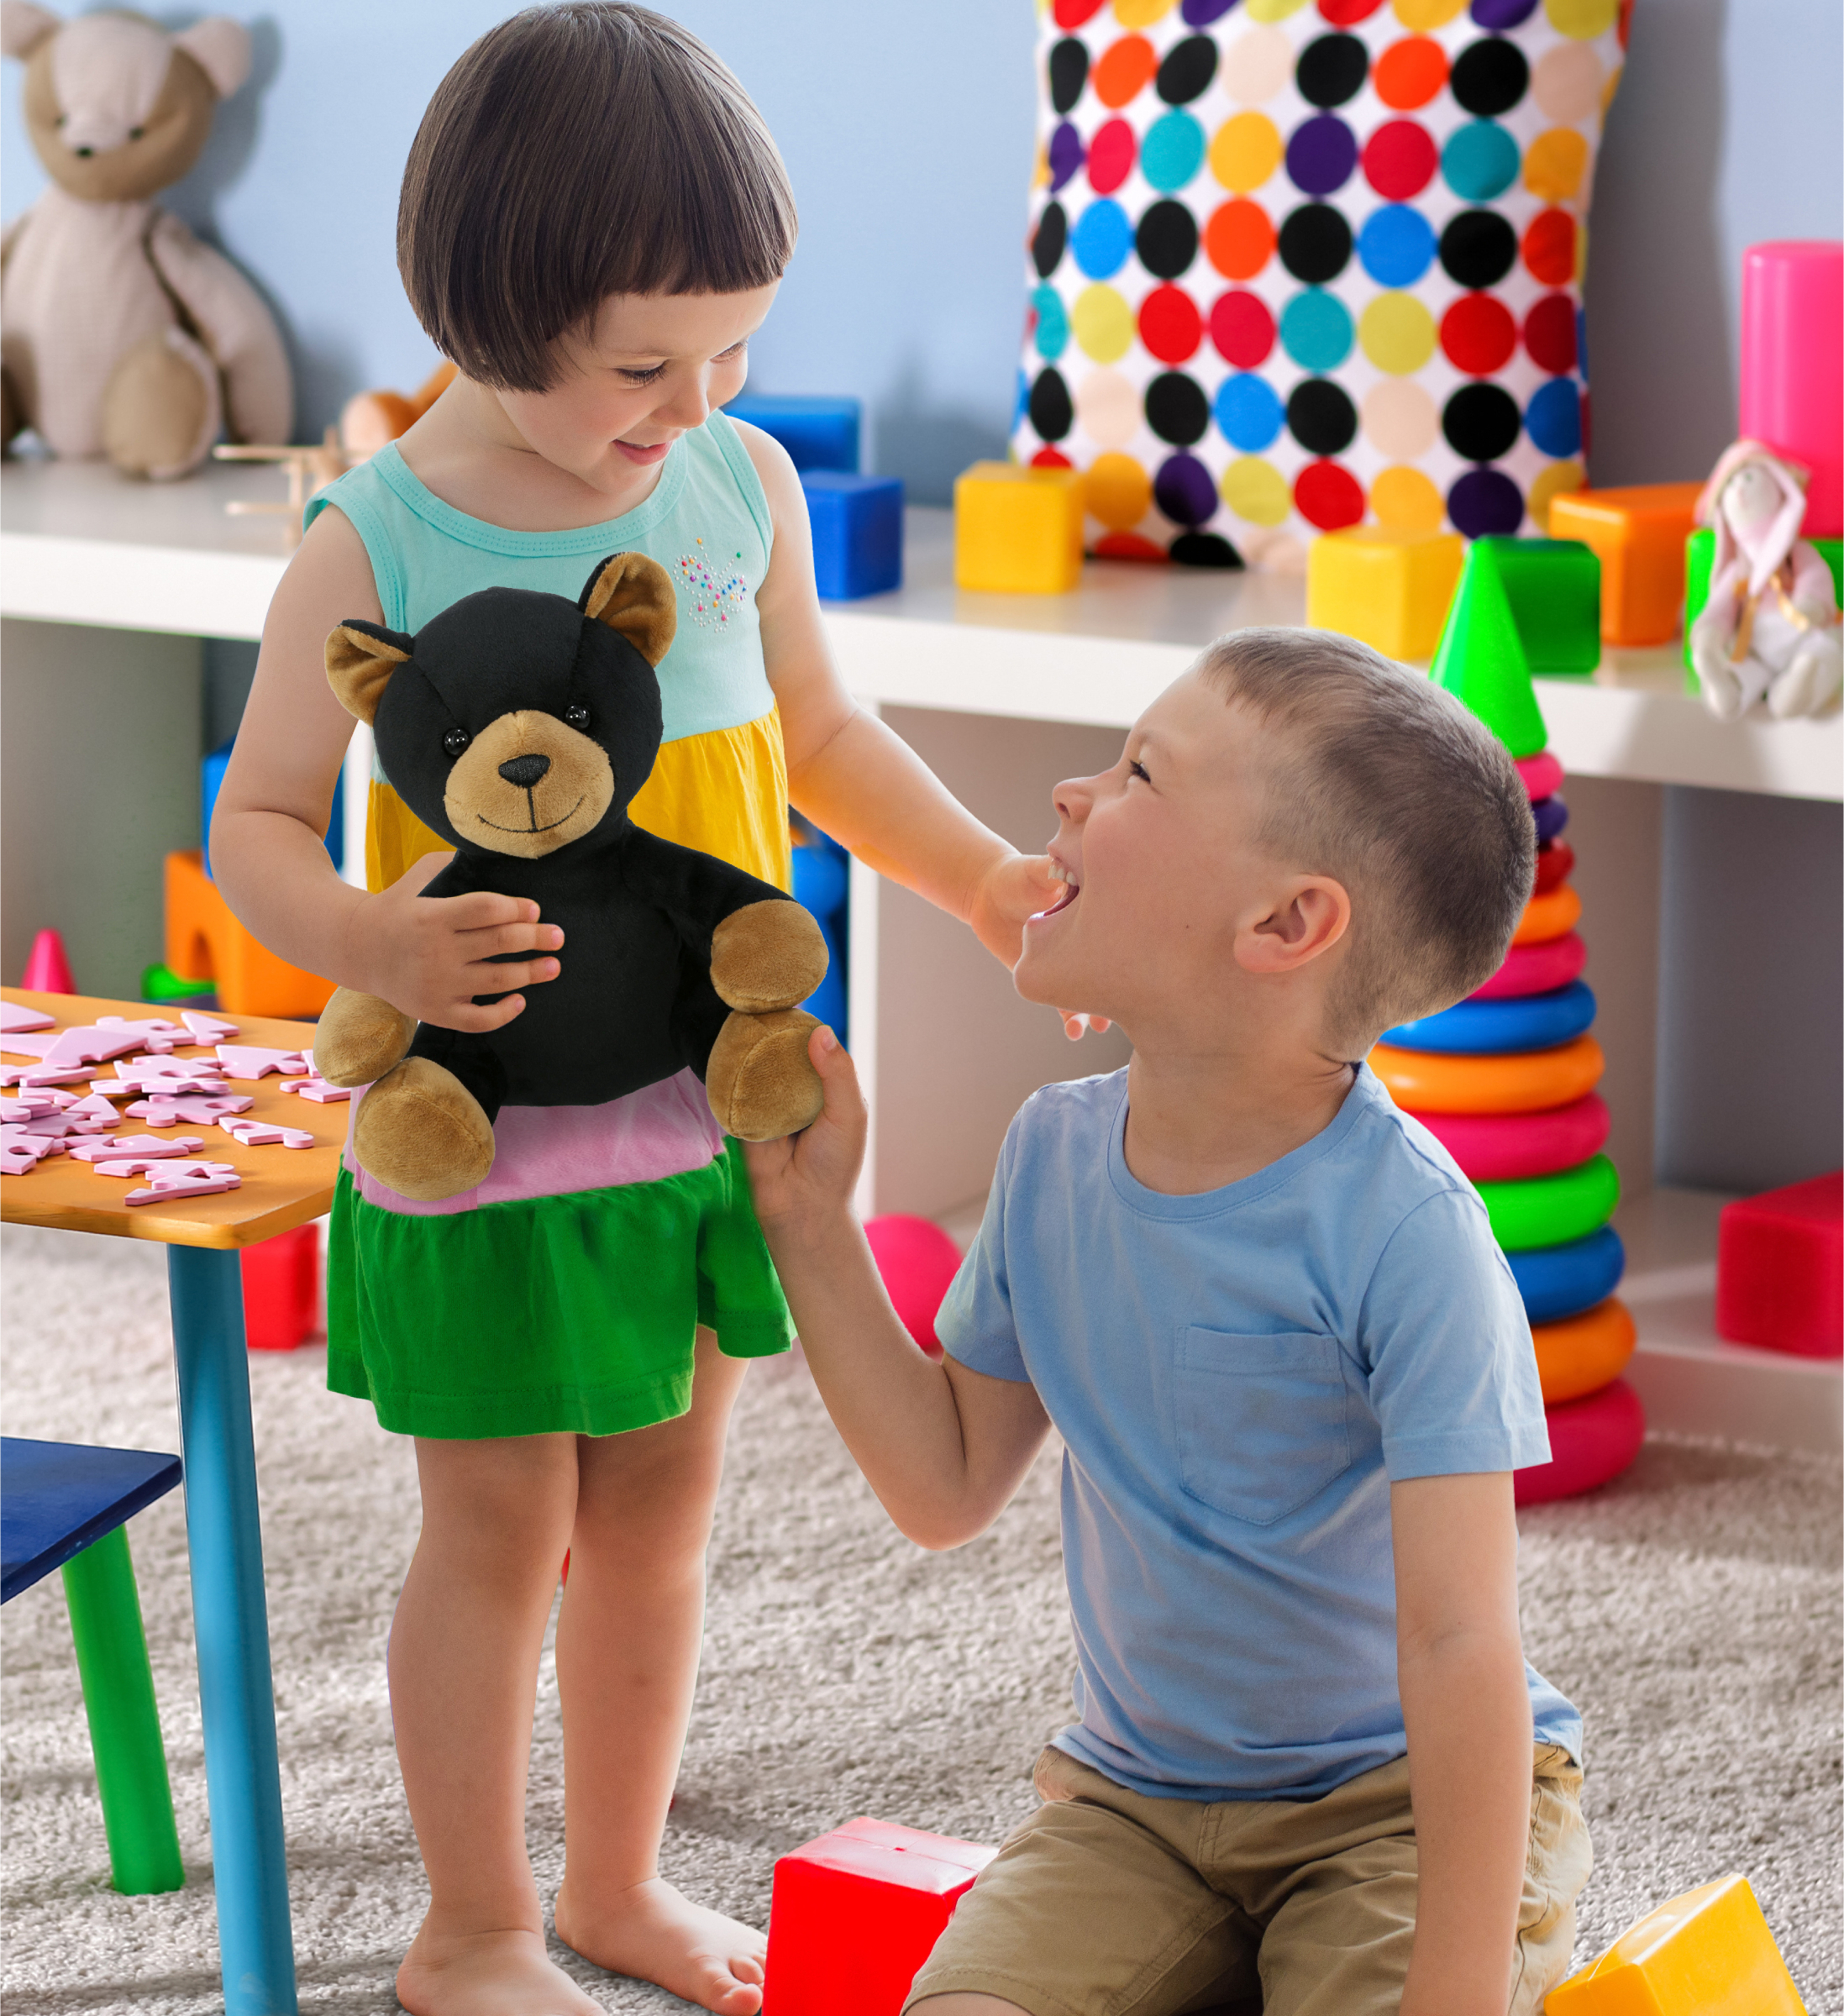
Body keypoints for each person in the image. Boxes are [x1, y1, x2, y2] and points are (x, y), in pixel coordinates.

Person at [209, 9, 1058, 2013]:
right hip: (483, 1139)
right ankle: (472, 1925)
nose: (696, 403)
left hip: (699, 1121)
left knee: (664, 1520)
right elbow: (254, 822)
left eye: (732, 351)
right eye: (643, 366)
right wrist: (374, 944)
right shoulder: (376, 536)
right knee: (500, 1528)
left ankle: (611, 1887)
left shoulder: (733, 488)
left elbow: (822, 737)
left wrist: (981, 879)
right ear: (491, 317)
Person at [748, 631, 1594, 2016]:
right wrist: (808, 1221)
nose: (1071, 794)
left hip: (1395, 1814)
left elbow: (1462, 1645)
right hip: (1133, 1806)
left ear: (1285, 927)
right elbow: (944, 1484)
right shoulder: (1050, 1154)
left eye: (1140, 772)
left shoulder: (1410, 1231)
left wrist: (1452, 1990)